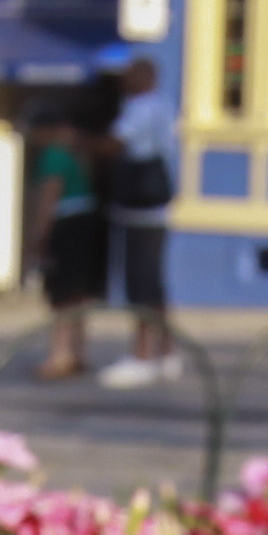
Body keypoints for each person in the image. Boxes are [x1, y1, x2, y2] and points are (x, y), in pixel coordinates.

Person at [93, 50, 180, 390]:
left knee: (140, 284)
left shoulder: (140, 108)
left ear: (143, 78)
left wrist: (80, 143)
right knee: (154, 284)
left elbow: (116, 143)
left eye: (128, 76)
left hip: (140, 207)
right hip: (154, 208)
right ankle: (167, 352)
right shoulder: (163, 105)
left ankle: (142, 355)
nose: (123, 83)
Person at [26, 82, 114, 382]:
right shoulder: (77, 153)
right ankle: (78, 352)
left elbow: (49, 196)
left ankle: (59, 356)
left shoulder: (52, 156)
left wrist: (38, 235)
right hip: (87, 222)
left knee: (61, 296)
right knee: (78, 296)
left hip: (67, 225)